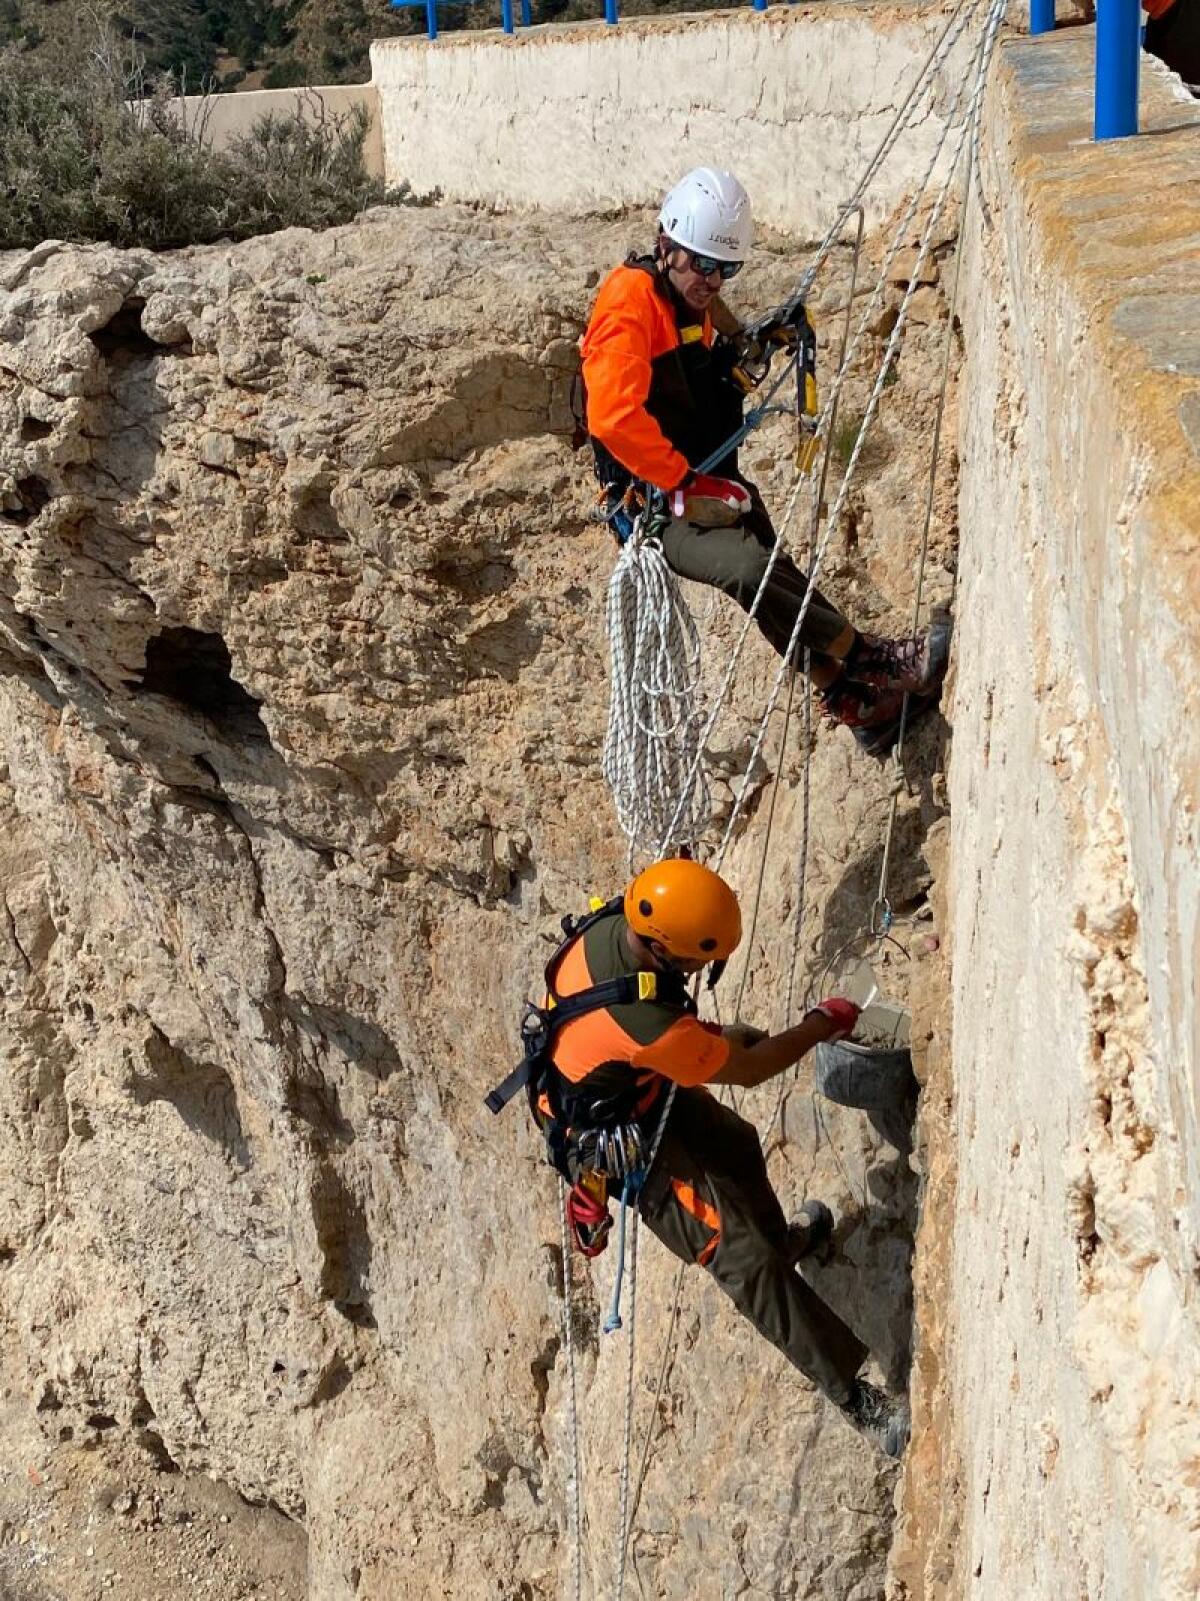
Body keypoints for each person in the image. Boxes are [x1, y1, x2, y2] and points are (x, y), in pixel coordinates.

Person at [539, 856, 910, 1457]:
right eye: (701, 962)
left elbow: (645, 1027)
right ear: (669, 952)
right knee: (739, 1256)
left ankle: (782, 1248)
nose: (703, 970)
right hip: (621, 1139)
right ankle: (856, 1400)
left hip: (633, 1087)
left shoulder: (625, 924)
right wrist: (821, 1024)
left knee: (736, 1146)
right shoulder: (641, 1022)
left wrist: (708, 1040)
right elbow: (752, 1069)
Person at [579, 166, 950, 756]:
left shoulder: (690, 299)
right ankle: (871, 658)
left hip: (699, 478)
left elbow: (699, 356)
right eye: (703, 265)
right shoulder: (629, 305)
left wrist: (755, 342)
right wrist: (682, 482)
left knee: (770, 570)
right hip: (652, 504)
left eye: (727, 269)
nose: (713, 281)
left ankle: (852, 700)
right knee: (749, 569)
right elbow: (612, 418)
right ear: (666, 246)